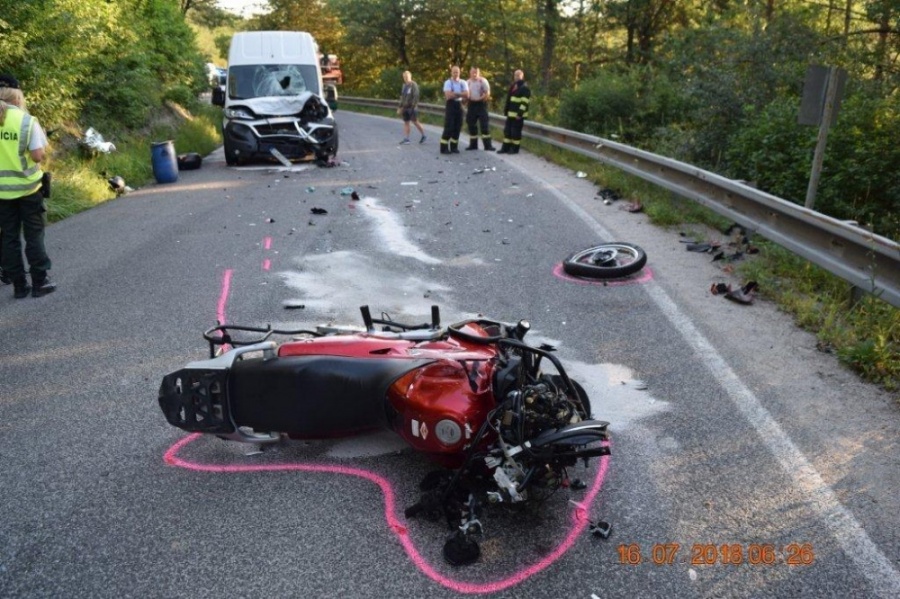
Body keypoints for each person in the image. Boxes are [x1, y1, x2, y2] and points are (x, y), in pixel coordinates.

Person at [0, 74, 55, 298]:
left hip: (2, 193)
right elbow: (38, 155)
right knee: (34, 236)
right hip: (28, 189)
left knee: (9, 237)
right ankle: (40, 282)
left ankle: (19, 287)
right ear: (17, 96)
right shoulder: (26, 121)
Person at [497, 69, 531, 155]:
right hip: (510, 114)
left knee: (515, 133)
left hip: (518, 116)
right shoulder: (513, 86)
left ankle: (515, 149)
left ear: (522, 77)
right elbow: (509, 100)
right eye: (515, 75)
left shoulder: (524, 88)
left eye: (518, 75)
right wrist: (506, 111)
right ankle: (505, 148)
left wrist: (520, 114)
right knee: (507, 131)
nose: (516, 77)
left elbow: (524, 103)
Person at [439, 65, 468, 154]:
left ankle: (454, 147)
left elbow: (467, 94)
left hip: (459, 105)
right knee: (449, 126)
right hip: (450, 105)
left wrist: (454, 93)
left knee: (457, 126)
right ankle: (444, 148)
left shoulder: (463, 82)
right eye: (454, 72)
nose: (456, 74)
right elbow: (448, 95)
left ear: (459, 73)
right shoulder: (448, 82)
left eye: (457, 72)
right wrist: (460, 94)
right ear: (451, 73)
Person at [465, 67, 494, 151]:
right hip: (471, 105)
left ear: (479, 73)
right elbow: (465, 94)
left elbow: (487, 92)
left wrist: (481, 98)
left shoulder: (483, 81)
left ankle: (488, 145)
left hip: (481, 104)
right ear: (470, 73)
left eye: (476, 72)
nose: (474, 74)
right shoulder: (468, 82)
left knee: (484, 126)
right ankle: (473, 145)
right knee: (471, 125)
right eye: (473, 72)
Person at [397, 71, 426, 144]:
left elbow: (416, 96)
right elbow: (402, 97)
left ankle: (423, 135)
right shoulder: (404, 86)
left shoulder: (414, 85)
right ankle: (407, 139)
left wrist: (413, 106)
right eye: (404, 77)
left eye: (407, 77)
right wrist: (400, 107)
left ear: (410, 76)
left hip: (411, 107)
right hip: (405, 107)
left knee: (415, 122)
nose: (406, 78)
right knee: (406, 122)